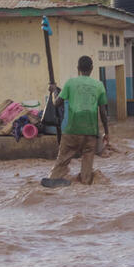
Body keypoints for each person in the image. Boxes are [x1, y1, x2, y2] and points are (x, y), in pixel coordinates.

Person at [41, 55, 109, 188]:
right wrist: (106, 132)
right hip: (90, 132)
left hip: (72, 131)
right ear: (92, 68)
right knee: (87, 166)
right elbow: (103, 113)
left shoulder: (70, 83)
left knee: (62, 161)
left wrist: (54, 91)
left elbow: (56, 103)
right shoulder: (99, 85)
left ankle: (54, 180)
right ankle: (85, 184)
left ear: (78, 68)